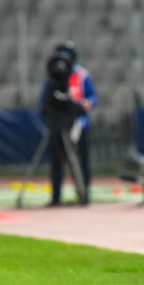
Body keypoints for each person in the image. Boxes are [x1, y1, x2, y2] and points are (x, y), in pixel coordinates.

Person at [41, 42, 97, 206]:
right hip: (57, 124)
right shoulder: (52, 76)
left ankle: (84, 194)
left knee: (81, 160)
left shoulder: (82, 75)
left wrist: (87, 103)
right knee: (57, 161)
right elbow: (45, 100)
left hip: (78, 123)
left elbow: (93, 96)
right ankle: (56, 196)